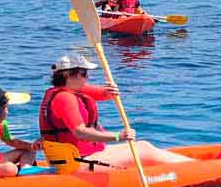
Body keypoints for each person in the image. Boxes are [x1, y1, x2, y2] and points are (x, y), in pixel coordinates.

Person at [38, 53, 193, 170]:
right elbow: (80, 132)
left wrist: (110, 91)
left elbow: (103, 94)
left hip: (74, 159)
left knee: (144, 145)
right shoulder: (65, 98)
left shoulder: (64, 91)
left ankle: (193, 166)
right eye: (84, 74)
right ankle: (197, 169)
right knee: (144, 150)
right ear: (68, 76)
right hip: (79, 164)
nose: (87, 78)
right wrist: (118, 136)